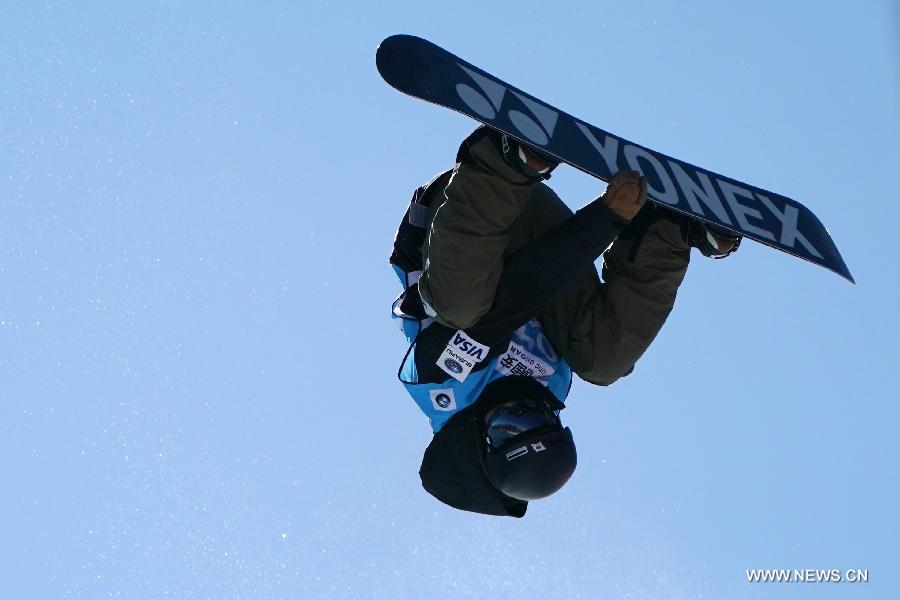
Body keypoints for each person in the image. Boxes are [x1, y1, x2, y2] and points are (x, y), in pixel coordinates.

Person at [389, 126, 740, 517]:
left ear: (480, 438)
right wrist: (616, 219)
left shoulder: (443, 380)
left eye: (509, 424)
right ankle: (667, 229)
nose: (522, 405)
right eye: (537, 417)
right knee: (602, 362)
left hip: (464, 210)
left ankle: (503, 159)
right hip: (538, 230)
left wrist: (607, 217)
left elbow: (518, 296)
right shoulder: (548, 386)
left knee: (462, 309)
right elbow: (542, 285)